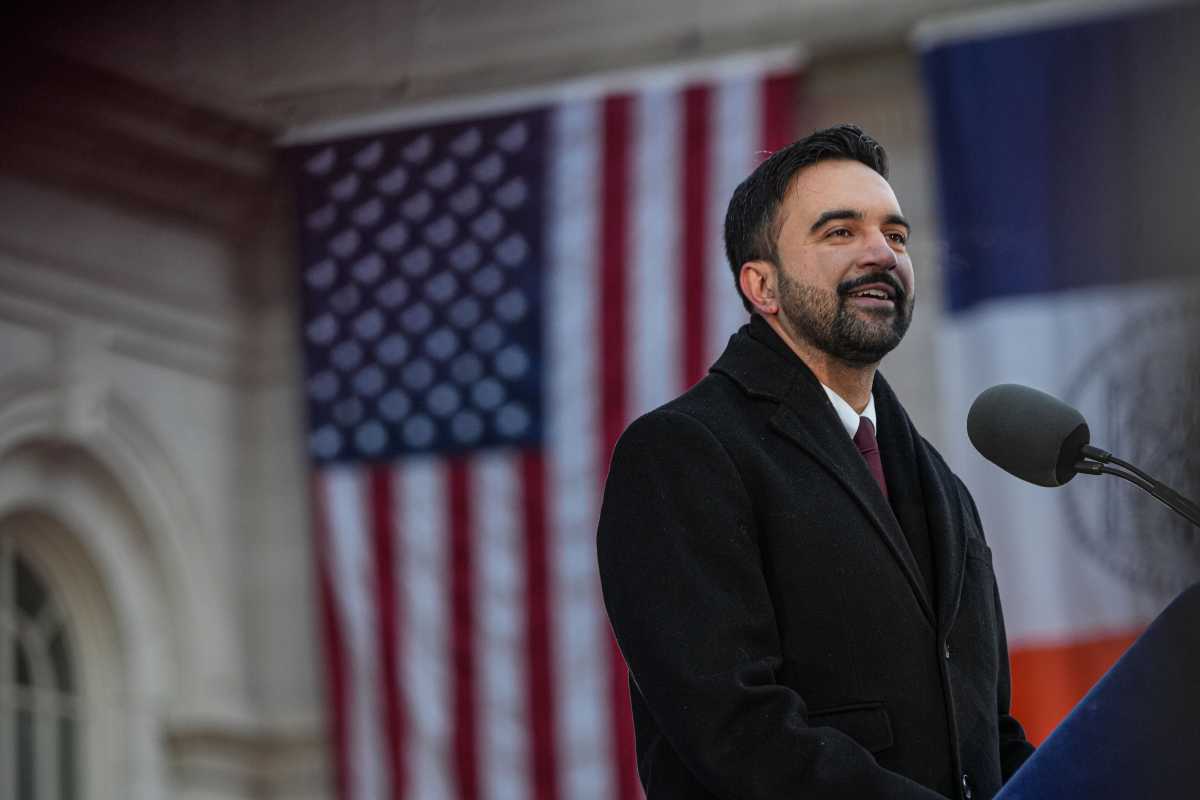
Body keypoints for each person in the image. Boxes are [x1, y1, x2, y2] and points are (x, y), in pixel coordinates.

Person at [596, 124, 1033, 800]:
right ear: (762, 285)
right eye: (840, 232)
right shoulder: (683, 452)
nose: (881, 254)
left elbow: (986, 729)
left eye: (895, 235)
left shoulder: (940, 483)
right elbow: (735, 730)